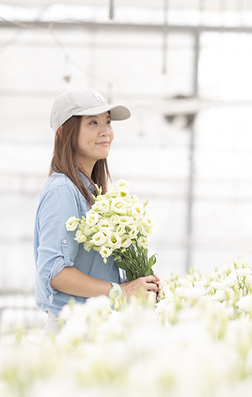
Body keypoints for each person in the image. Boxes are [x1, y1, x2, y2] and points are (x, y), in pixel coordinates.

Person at [33, 89, 160, 333]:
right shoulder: (63, 190)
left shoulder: (91, 191)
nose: (106, 132)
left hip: (93, 326)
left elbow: (91, 269)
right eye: (93, 122)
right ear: (64, 132)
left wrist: (138, 285)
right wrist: (121, 291)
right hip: (72, 329)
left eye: (108, 122)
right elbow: (54, 272)